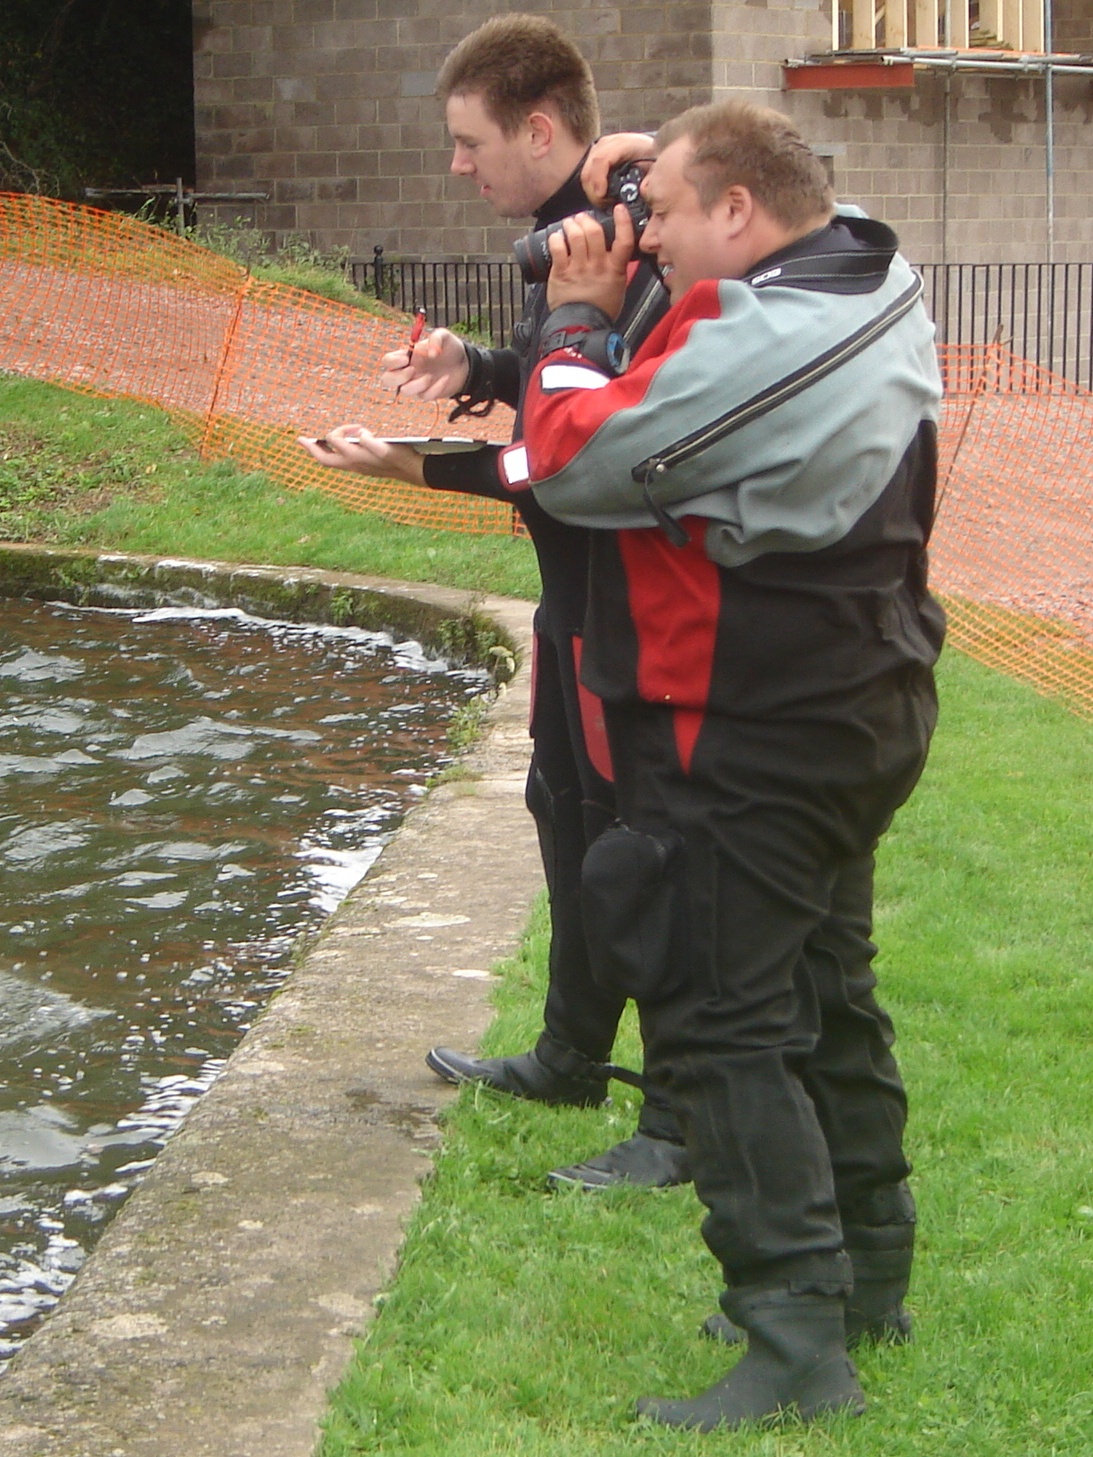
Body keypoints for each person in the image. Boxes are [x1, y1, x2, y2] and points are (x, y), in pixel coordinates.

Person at [504, 100, 945, 1429]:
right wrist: (660, 164)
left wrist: (575, 323)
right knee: (827, 991)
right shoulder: (867, 266)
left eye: (666, 215)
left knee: (722, 1020)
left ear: (740, 212)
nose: (648, 240)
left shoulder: (769, 336)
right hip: (858, 702)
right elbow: (774, 186)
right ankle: (869, 1278)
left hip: (754, 725)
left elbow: (572, 461)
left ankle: (794, 1335)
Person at [297, 14, 679, 1189]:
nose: (458, 166)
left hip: (631, 610)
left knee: (639, 845)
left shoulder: (628, 253)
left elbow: (582, 455)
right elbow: (558, 392)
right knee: (561, 808)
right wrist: (477, 370)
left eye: (470, 142)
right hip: (572, 601)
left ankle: (681, 1114)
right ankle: (570, 1053)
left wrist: (413, 465)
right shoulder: (561, 247)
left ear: (540, 130)